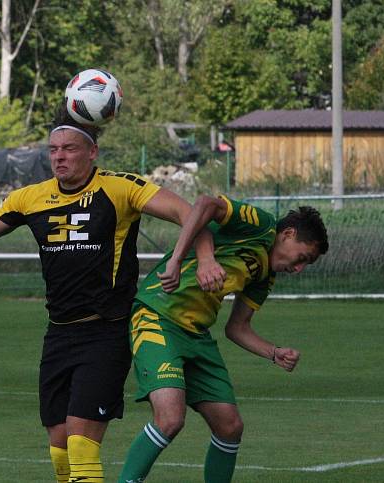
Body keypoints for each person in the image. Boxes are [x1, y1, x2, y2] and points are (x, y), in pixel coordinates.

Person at [0, 107, 223, 483]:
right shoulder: (30, 198)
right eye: (53, 150)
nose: (59, 157)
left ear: (92, 152)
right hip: (58, 335)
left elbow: (191, 214)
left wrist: (205, 258)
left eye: (68, 149)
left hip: (106, 333)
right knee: (60, 449)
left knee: (82, 446)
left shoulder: (121, 188)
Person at [118, 195, 329, 483]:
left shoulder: (264, 276)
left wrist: (273, 352)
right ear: (288, 234)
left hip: (196, 334)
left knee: (230, 426)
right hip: (158, 315)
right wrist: (196, 260)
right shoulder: (262, 225)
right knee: (170, 418)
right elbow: (206, 204)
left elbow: (237, 327)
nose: (299, 268)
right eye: (302, 257)